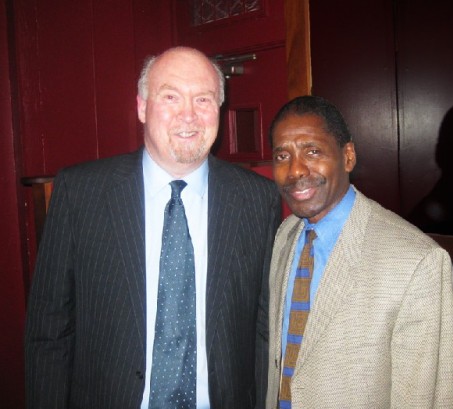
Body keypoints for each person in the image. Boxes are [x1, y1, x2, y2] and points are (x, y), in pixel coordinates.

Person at [25, 46, 282, 409]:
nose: (188, 115)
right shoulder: (80, 193)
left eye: (203, 99)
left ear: (220, 109)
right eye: (171, 96)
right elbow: (49, 330)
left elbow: (264, 328)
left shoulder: (258, 199)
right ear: (142, 107)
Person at [265, 95, 453, 408]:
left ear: (348, 157)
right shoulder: (285, 234)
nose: (295, 170)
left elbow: (430, 397)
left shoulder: (417, 260)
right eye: (282, 156)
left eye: (312, 151)